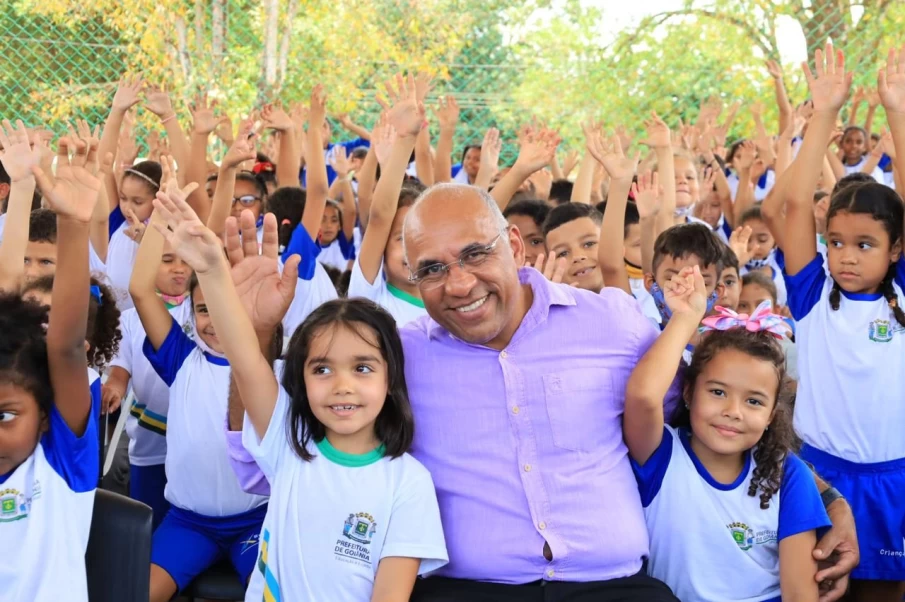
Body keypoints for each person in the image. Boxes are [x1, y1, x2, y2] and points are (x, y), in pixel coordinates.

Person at [149, 181, 448, 601]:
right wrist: (215, 275)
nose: (343, 385)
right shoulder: (288, 447)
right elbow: (249, 362)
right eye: (321, 368)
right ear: (300, 381)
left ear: (391, 378)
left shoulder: (409, 483)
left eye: (362, 367)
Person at [780, 41, 905, 602]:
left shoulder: (900, 294)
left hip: (893, 483)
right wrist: (823, 113)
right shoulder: (811, 293)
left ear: (896, 249)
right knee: (819, 591)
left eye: (864, 244)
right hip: (820, 477)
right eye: (835, 241)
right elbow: (788, 210)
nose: (846, 255)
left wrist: (897, 113)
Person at [625, 266, 829, 601]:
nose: (733, 411)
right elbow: (643, 396)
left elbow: (799, 595)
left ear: (770, 416)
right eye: (718, 392)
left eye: (753, 401)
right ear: (689, 393)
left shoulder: (787, 474)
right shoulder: (660, 454)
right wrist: (687, 318)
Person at [129, 166, 268, 602]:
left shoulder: (272, 369)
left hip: (256, 522)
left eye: (222, 307)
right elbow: (139, 289)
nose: (213, 321)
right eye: (203, 309)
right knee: (137, 593)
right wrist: (161, 216)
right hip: (188, 523)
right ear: (189, 312)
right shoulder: (181, 358)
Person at [0, 133, 104, 602]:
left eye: (5, 416)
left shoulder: (61, 462)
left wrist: (74, 223)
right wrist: (21, 187)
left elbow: (64, 347)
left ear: (44, 417)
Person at [348, 97, 428, 324]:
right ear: (381, 246)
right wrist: (405, 141)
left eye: (421, 239)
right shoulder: (371, 300)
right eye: (401, 239)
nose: (412, 250)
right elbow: (380, 217)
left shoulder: (451, 308)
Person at [542, 202, 604, 292]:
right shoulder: (544, 305)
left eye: (589, 244)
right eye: (563, 253)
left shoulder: (631, 302)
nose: (577, 256)